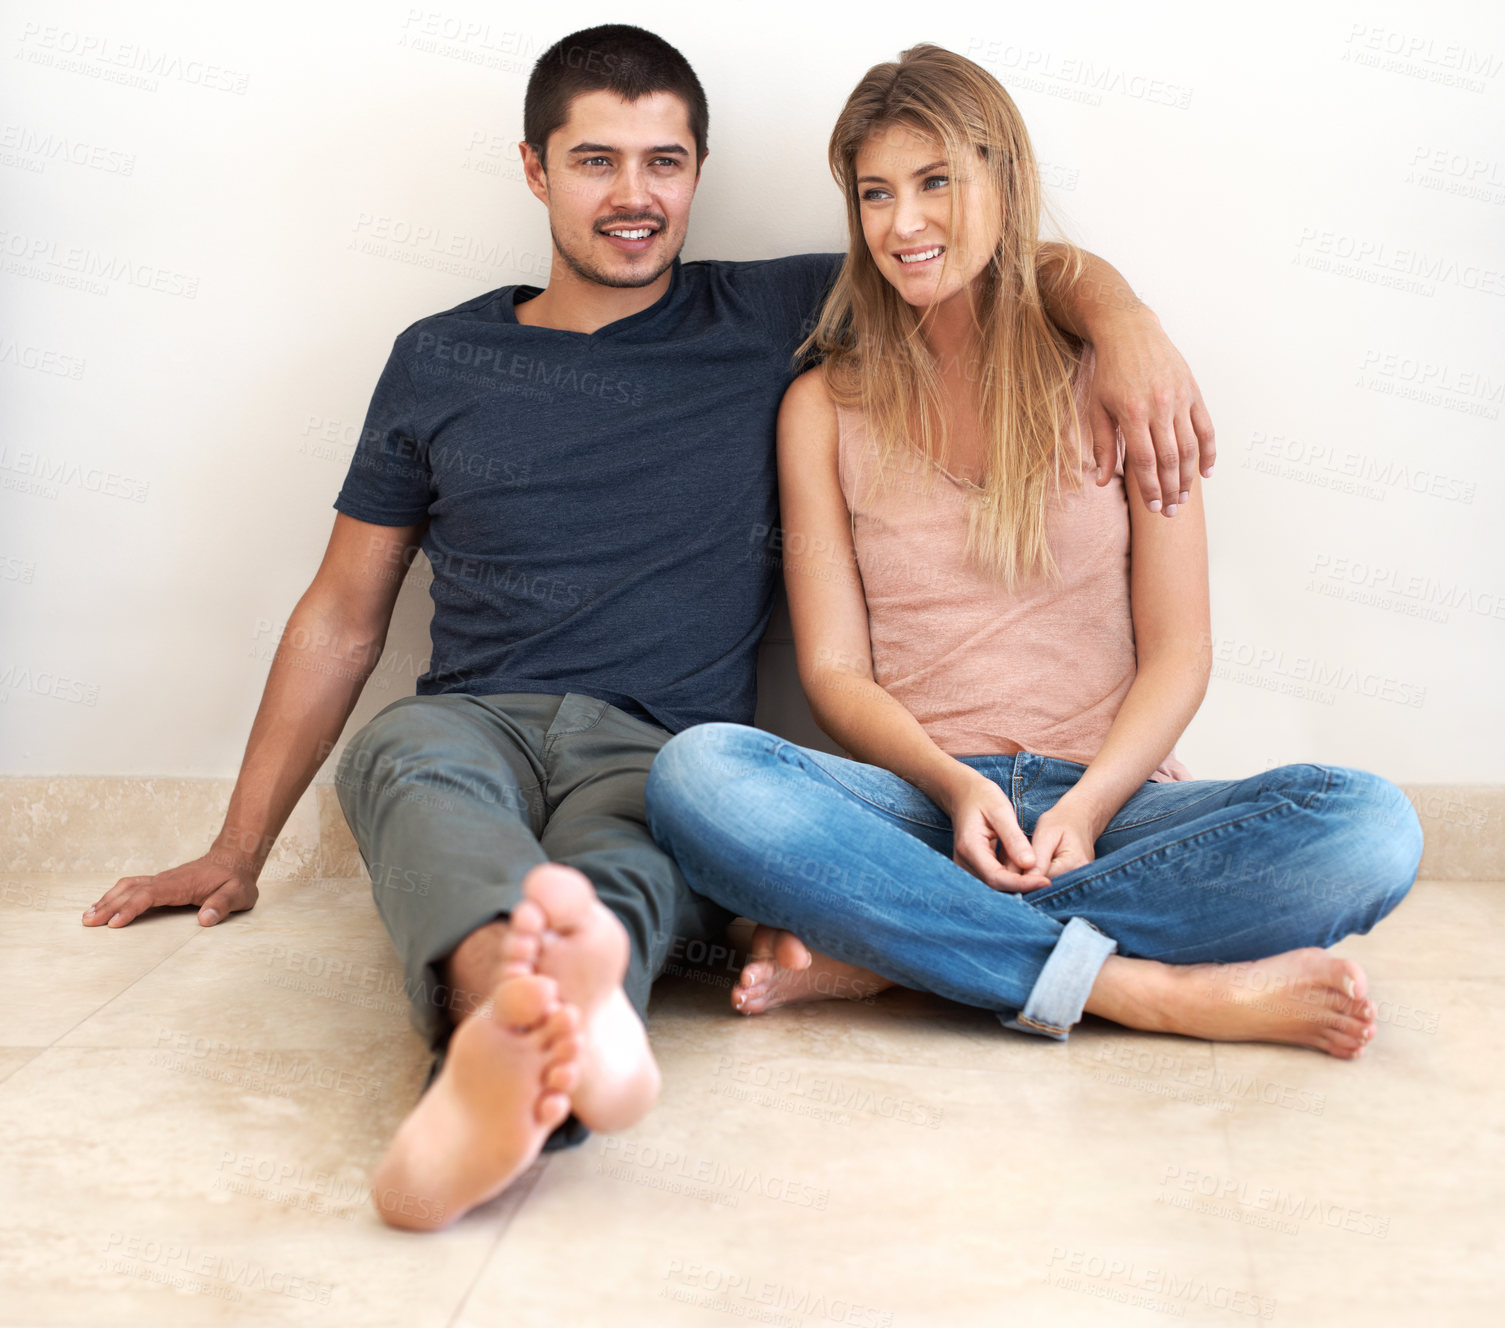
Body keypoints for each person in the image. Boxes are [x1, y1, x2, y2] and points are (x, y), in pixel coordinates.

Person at [79, 27, 1218, 1230]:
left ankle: (515, 1063)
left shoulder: (769, 310)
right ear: (533, 168)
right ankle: (509, 1039)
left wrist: (1127, 317)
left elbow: (980, 245)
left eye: (663, 162)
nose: (633, 196)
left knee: (627, 862)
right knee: (409, 769)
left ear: (698, 169)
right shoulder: (436, 357)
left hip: (662, 743)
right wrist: (237, 843)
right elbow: (339, 614)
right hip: (472, 718)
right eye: (594, 162)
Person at [644, 44, 1422, 1062]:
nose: (902, 224)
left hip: (1115, 798)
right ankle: (1138, 990)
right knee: (696, 774)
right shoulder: (821, 407)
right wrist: (956, 787)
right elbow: (833, 670)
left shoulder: (1113, 377)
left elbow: (1178, 649)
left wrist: (1091, 805)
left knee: (1369, 827)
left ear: (1001, 183)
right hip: (917, 802)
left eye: (934, 183)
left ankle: (895, 946)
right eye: (874, 194)